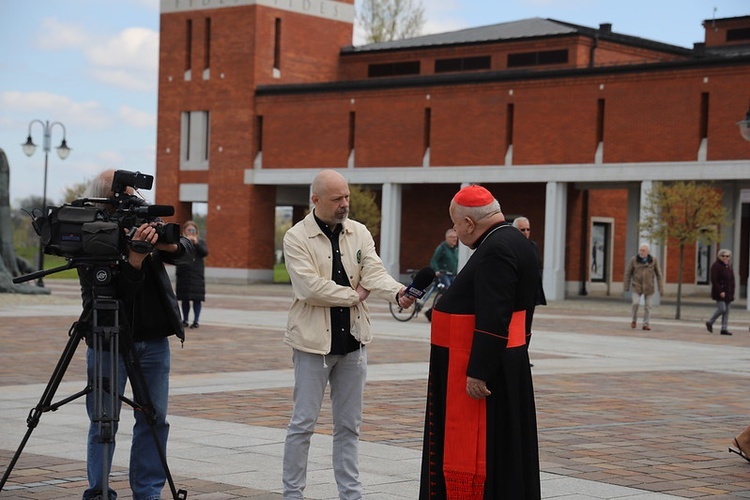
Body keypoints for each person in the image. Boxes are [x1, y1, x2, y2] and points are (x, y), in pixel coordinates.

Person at [281, 169, 415, 500]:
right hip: (312, 345)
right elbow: (309, 287)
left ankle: (350, 494)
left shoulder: (359, 232)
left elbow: (373, 271)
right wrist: (354, 295)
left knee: (349, 427)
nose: (345, 204)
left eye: (347, 197)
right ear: (315, 200)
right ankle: (292, 494)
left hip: (353, 343)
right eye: (337, 199)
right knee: (302, 425)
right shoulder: (296, 237)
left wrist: (398, 292)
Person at [78, 169, 194, 500]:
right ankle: (99, 492)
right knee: (104, 423)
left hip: (154, 340)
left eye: (135, 195)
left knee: (154, 420)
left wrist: (168, 244)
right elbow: (114, 297)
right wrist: (134, 260)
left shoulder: (142, 223)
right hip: (107, 340)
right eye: (127, 195)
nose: (134, 202)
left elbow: (187, 251)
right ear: (107, 197)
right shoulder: (91, 233)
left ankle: (148, 494)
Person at [420, 185, 541, 499]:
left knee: (488, 450)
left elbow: (495, 314)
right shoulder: (518, 241)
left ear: (469, 224)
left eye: (457, 225)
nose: (457, 233)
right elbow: (526, 310)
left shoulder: (495, 249)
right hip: (508, 360)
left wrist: (480, 370)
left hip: (484, 368)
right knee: (507, 448)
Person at [623, 243, 663, 331]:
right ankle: (634, 320)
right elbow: (627, 274)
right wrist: (626, 286)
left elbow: (659, 275)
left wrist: (660, 287)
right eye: (640, 250)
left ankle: (646, 324)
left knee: (648, 306)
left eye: (643, 250)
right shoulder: (634, 260)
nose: (641, 252)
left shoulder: (653, 260)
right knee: (635, 303)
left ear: (648, 251)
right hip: (637, 286)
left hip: (649, 287)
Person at [175, 220, 208, 328]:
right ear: (184, 231)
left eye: (192, 230)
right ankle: (185, 320)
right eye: (188, 230)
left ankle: (196, 321)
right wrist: (186, 242)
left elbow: (204, 252)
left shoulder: (200, 241)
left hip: (196, 275)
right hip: (184, 274)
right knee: (184, 299)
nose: (190, 232)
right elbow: (176, 253)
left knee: (197, 299)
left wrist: (196, 243)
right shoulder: (181, 241)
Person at [513, 216, 547, 308]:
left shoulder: (533, 246)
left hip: (531, 293)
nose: (526, 232)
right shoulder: (511, 247)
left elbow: (538, 265)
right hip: (517, 293)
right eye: (522, 230)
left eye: (528, 229)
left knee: (528, 320)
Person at [425, 229, 458, 321]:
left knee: (455, 292)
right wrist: (437, 271)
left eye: (456, 237)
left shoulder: (455, 249)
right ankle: (434, 312)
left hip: (452, 274)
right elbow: (434, 260)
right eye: (452, 237)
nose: (454, 239)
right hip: (443, 274)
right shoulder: (442, 248)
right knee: (447, 291)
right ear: (447, 238)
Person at [705, 248, 735, 336]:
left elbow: (732, 280)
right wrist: (720, 291)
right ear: (719, 256)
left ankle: (724, 328)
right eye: (723, 256)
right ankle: (710, 322)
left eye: (727, 256)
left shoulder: (728, 266)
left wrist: (732, 292)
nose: (725, 257)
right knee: (722, 308)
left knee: (727, 311)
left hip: (728, 291)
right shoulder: (716, 266)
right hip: (719, 292)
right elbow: (714, 280)